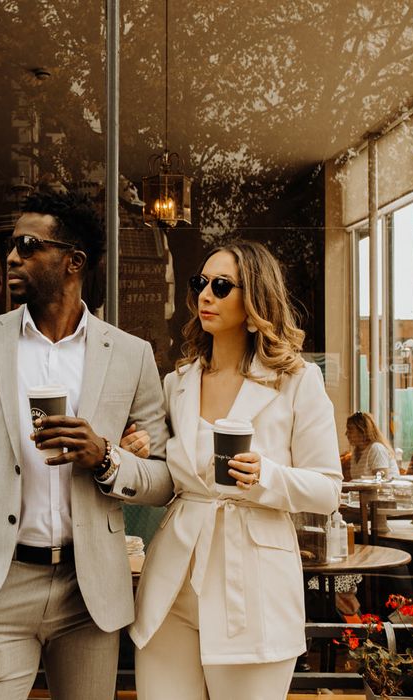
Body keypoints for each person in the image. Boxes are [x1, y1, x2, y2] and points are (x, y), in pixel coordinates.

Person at [0, 189, 173, 700]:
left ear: (73, 261)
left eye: (29, 245)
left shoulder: (131, 355)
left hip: (90, 594)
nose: (11, 256)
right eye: (11, 245)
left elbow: (165, 479)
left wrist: (105, 457)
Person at [130, 240, 342, 700]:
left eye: (221, 286)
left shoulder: (296, 380)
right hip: (172, 586)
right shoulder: (177, 383)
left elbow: (327, 491)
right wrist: (139, 450)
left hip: (253, 590)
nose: (206, 294)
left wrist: (265, 475)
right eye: (200, 283)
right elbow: (163, 474)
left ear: (255, 300)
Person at [345, 411, 399, 479]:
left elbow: (382, 482)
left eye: (350, 430)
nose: (346, 434)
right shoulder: (356, 452)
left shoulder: (377, 448)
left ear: (362, 431)